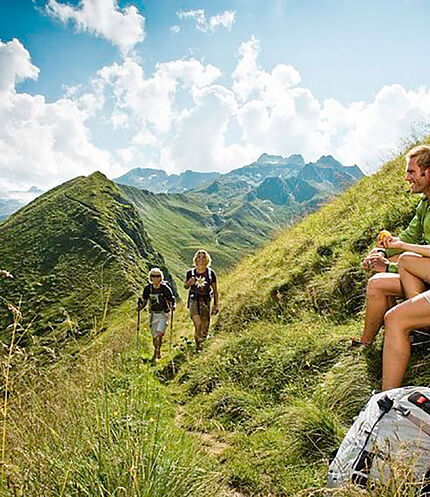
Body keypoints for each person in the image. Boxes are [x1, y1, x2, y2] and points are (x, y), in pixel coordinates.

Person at [353, 145, 430, 347]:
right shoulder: (425, 204)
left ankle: (419, 329)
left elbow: (410, 250)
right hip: (422, 272)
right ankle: (367, 343)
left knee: (381, 279)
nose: (406, 177)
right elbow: (408, 235)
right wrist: (380, 251)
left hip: (423, 273)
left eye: (411, 171)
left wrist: (388, 266)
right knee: (377, 283)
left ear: (428, 173)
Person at [138, 268, 175, 361]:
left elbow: (171, 300)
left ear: (160, 278)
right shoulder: (147, 289)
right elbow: (145, 301)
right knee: (154, 336)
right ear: (150, 278)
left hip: (164, 313)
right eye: (153, 276)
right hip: (153, 314)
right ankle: (157, 350)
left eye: (157, 276)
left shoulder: (165, 288)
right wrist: (140, 308)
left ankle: (156, 353)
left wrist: (172, 306)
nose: (155, 278)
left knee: (159, 334)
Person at [184, 250, 218, 350]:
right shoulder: (190, 273)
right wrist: (189, 283)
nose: (201, 259)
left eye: (203, 257)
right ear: (195, 259)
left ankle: (201, 344)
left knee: (205, 326)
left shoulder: (211, 273)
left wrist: (216, 305)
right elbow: (185, 286)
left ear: (207, 259)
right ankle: (199, 346)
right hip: (193, 300)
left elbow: (215, 291)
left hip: (206, 300)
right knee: (198, 324)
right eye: (199, 257)